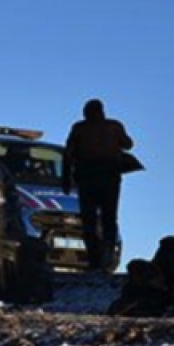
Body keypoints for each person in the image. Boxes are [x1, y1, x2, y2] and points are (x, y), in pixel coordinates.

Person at [63, 98, 133, 273]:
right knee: (109, 218)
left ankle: (95, 260)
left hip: (88, 179)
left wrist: (65, 179)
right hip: (109, 178)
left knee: (90, 220)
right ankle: (105, 259)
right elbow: (128, 144)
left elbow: (68, 154)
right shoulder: (114, 126)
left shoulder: (80, 128)